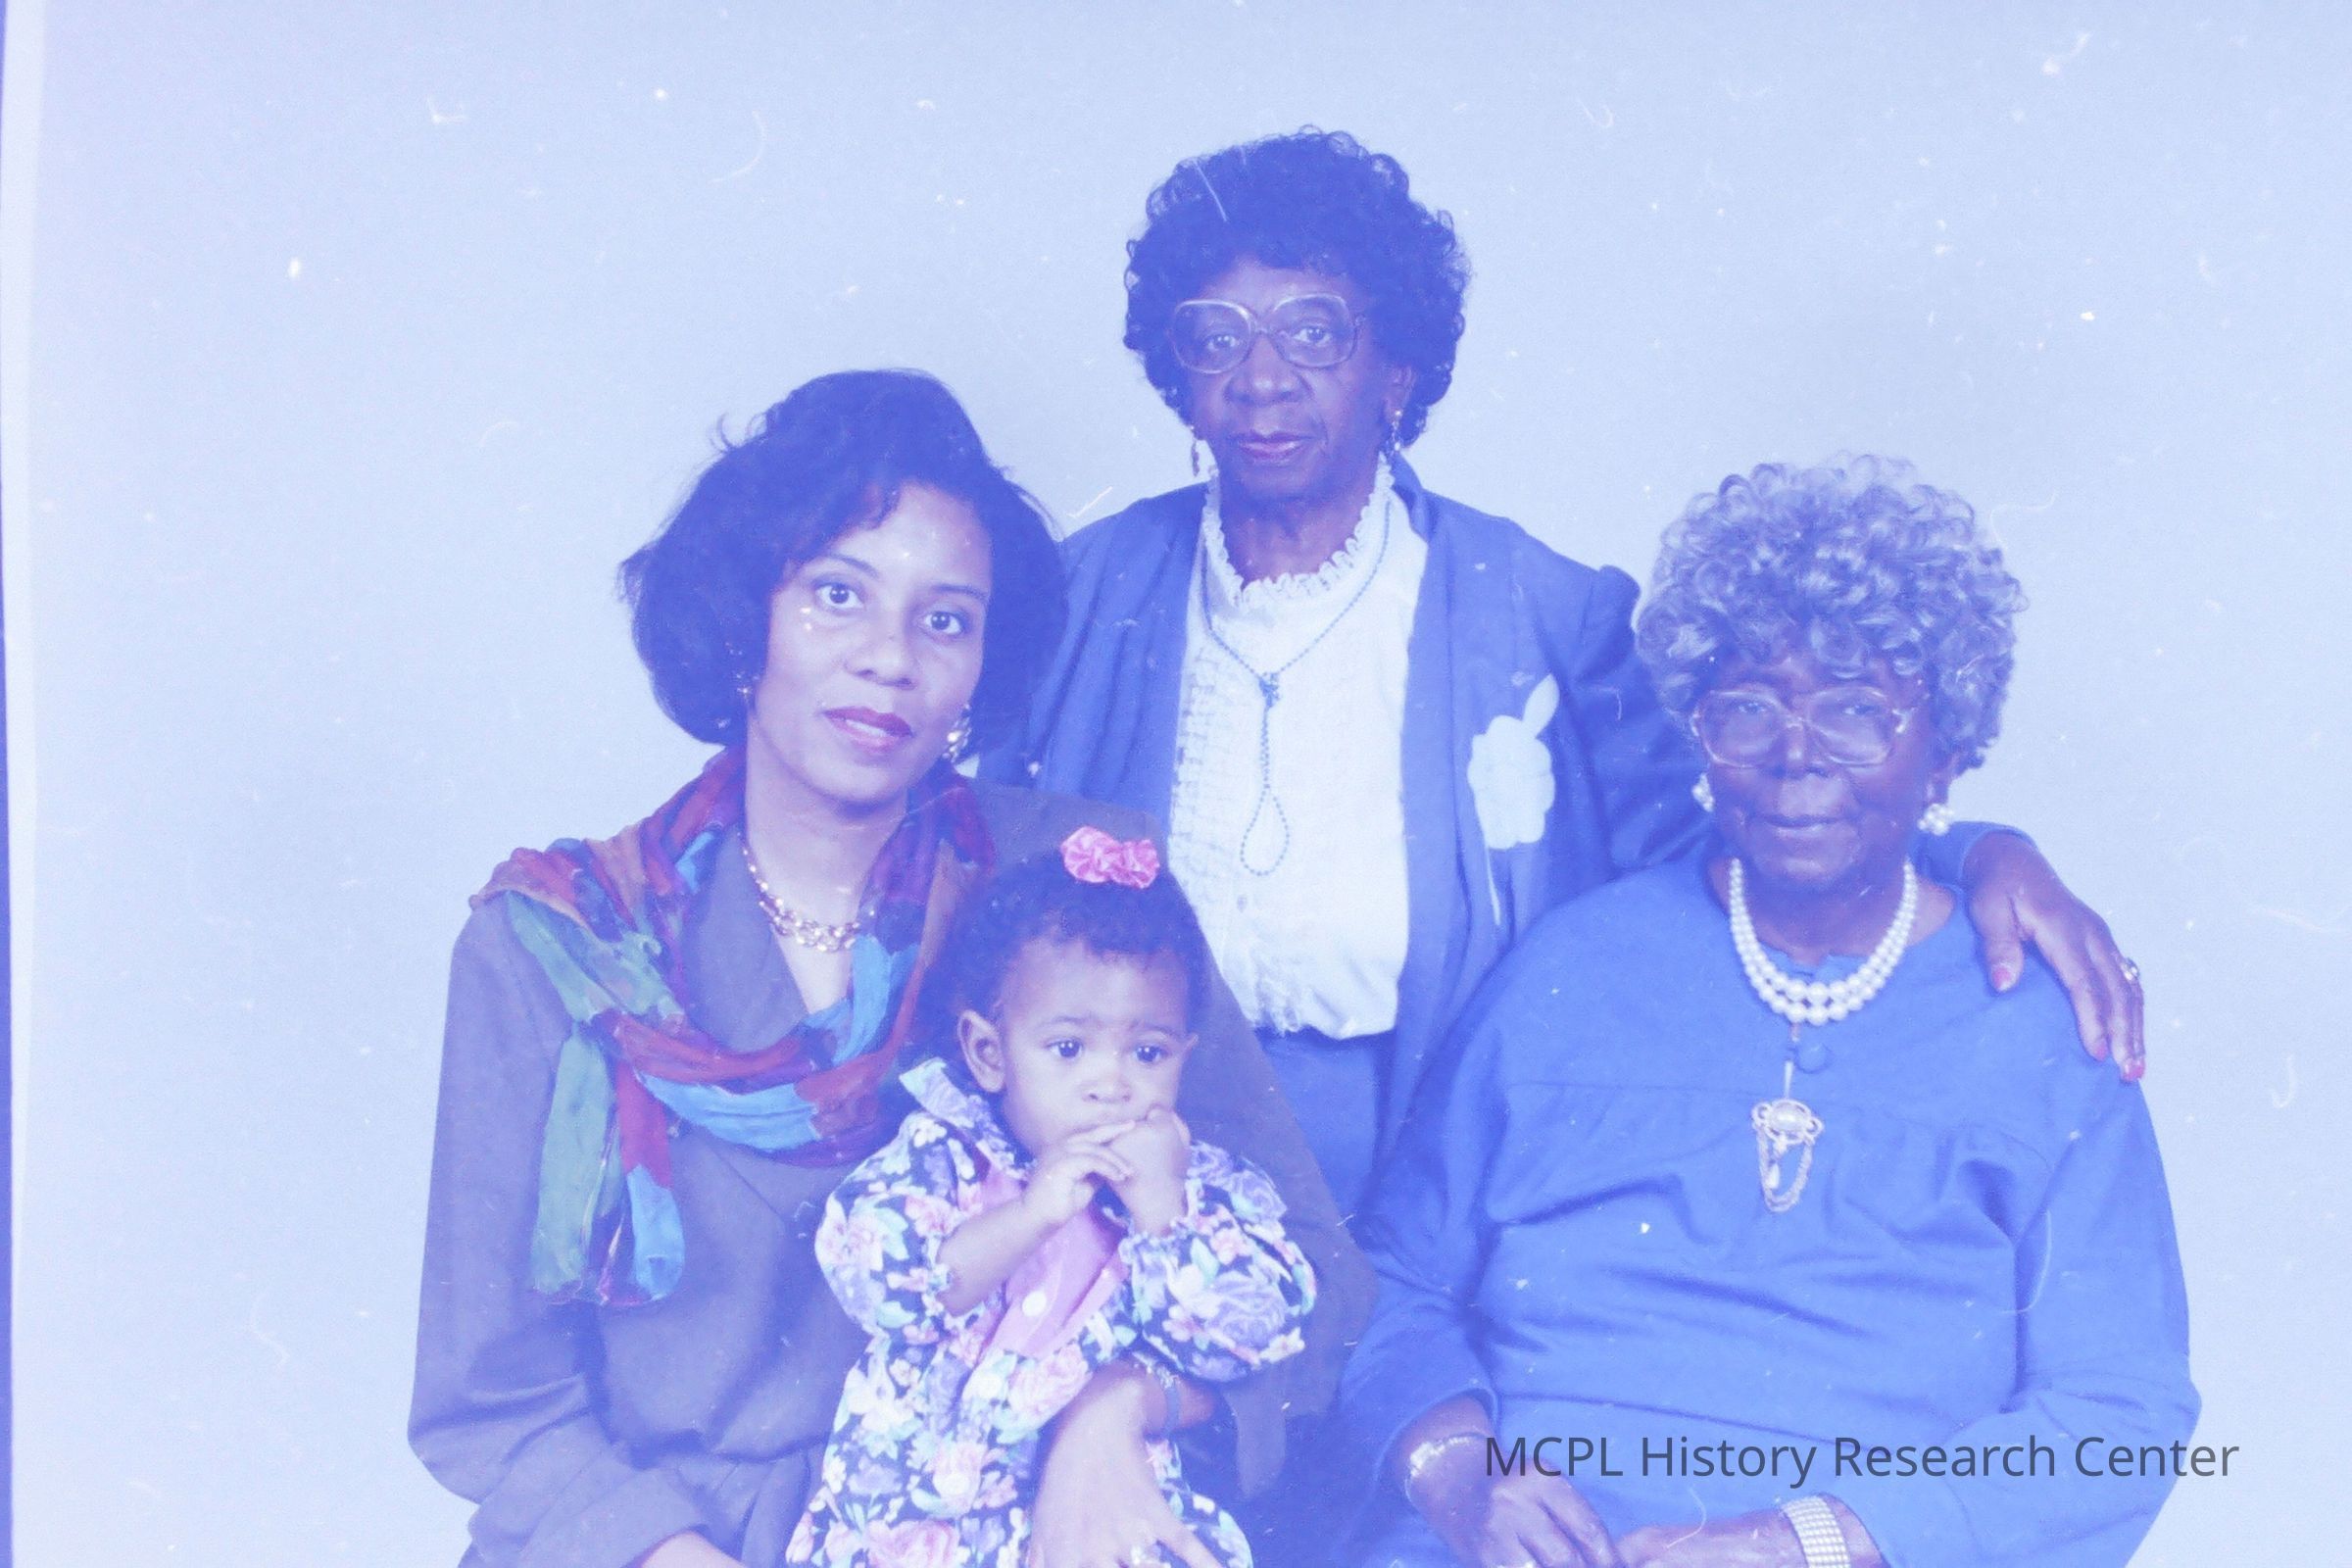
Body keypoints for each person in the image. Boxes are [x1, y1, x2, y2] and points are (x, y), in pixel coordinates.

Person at [985, 130, 2146, 1223]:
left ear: (1396, 370)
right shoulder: (1083, 590)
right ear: (1176, 371)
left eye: (1314, 331)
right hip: (1104, 1178)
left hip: (1436, 1185)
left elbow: (1741, 843)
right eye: (1217, 336)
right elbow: (956, 836)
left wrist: (1970, 851)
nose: (1263, 379)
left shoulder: (1544, 612)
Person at [410, 369, 1367, 1568]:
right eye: (837, 595)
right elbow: (493, 1403)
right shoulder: (555, 944)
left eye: (946, 619)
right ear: (743, 619)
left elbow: (1318, 1279)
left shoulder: (1077, 890)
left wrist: (1117, 1410)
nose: (890, 659)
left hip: (1018, 1526)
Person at [1342, 459, 2197, 1568]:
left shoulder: (2042, 1031)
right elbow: (1392, 1283)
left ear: (1947, 752)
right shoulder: (1569, 971)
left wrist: (1817, 1542)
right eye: (1748, 707)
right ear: (1700, 732)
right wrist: (1462, 1479)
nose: (1797, 755)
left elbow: (2119, 1416)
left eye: (1856, 711)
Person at [784, 831, 1317, 1568]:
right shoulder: (945, 1156)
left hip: (1094, 1519)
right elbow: (883, 1291)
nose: (1111, 1084)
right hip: (909, 1522)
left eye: (1148, 1053)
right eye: (1068, 1049)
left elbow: (1247, 1338)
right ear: (989, 1053)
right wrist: (1030, 1216)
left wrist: (1164, 1212)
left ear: (1184, 1057)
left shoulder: (1202, 1191)